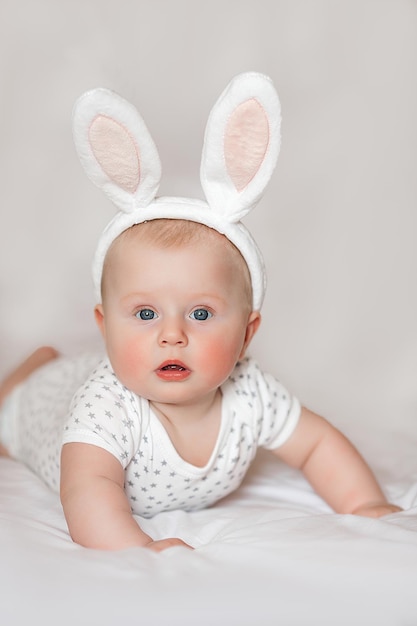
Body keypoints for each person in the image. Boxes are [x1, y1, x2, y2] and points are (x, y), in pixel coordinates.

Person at [0, 73, 401, 552]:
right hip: (45, 406)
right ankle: (26, 375)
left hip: (96, 369)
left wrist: (365, 505)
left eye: (202, 315)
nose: (172, 335)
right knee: (13, 411)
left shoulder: (250, 392)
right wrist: (137, 548)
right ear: (104, 326)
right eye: (145, 314)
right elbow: (87, 489)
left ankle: (46, 360)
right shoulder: (105, 407)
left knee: (70, 369)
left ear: (247, 334)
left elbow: (318, 445)